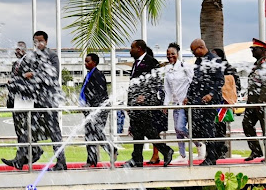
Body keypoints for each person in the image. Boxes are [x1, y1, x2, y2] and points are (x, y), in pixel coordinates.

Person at [16, 31, 65, 171]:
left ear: (46, 41)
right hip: (36, 98)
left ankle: (61, 161)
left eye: (41, 41)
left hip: (49, 99)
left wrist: (34, 74)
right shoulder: (32, 56)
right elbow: (23, 72)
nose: (38, 44)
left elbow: (54, 75)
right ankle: (22, 158)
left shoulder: (52, 55)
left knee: (54, 130)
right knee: (28, 127)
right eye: (35, 41)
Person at [125, 39, 174, 168]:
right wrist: (129, 104)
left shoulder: (151, 62)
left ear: (139, 48)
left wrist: (145, 96)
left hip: (145, 104)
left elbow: (156, 82)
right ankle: (137, 158)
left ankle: (165, 150)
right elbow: (133, 85)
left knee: (146, 129)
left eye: (132, 47)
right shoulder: (136, 63)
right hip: (135, 104)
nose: (130, 50)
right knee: (138, 131)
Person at [1, 41, 44, 170]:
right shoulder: (16, 63)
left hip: (26, 101)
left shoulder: (30, 61)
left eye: (17, 49)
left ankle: (19, 160)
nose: (15, 52)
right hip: (16, 100)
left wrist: (15, 81)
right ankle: (35, 150)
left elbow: (33, 78)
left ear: (23, 49)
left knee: (25, 131)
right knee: (20, 130)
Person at [184, 39, 224, 166]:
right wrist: (188, 96)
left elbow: (220, 81)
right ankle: (218, 148)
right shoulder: (198, 61)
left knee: (209, 128)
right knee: (197, 128)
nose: (193, 53)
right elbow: (195, 80)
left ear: (201, 47)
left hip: (210, 101)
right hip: (198, 101)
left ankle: (211, 156)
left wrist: (211, 94)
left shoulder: (215, 60)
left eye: (194, 51)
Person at [79, 53, 117, 168]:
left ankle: (111, 149)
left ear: (94, 62)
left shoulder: (98, 75)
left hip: (98, 109)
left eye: (88, 61)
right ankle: (91, 160)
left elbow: (100, 94)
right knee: (89, 133)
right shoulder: (89, 75)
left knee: (97, 131)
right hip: (89, 109)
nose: (85, 64)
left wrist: (93, 108)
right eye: (85, 61)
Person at [243, 38, 266, 163]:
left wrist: (261, 103)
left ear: (262, 50)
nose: (252, 51)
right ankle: (256, 150)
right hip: (252, 103)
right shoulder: (257, 65)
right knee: (246, 124)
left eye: (254, 49)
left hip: (262, 103)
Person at [163, 43, 197, 163]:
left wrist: (189, 97)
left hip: (185, 103)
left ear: (178, 54)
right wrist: (166, 105)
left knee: (180, 127)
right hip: (175, 104)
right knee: (177, 131)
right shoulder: (167, 69)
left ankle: (198, 142)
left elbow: (194, 83)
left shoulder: (185, 66)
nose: (170, 56)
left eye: (173, 54)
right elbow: (167, 90)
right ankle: (182, 155)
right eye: (168, 54)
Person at [213, 48, 241, 159]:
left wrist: (228, 94)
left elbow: (236, 85)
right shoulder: (211, 68)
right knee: (211, 127)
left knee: (220, 128)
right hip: (212, 102)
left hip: (223, 103)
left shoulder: (228, 69)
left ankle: (220, 150)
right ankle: (215, 149)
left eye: (215, 55)